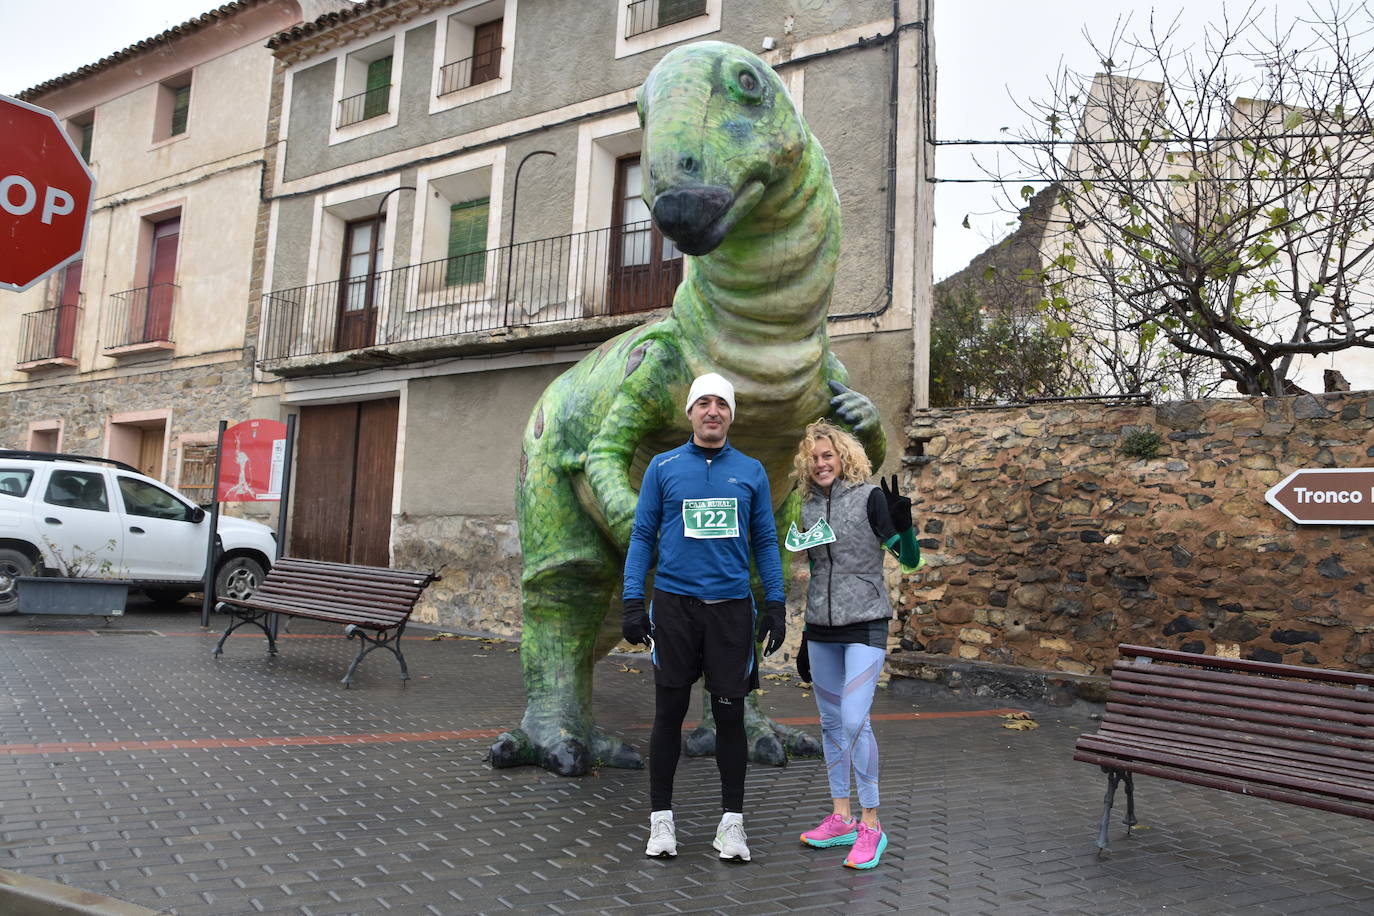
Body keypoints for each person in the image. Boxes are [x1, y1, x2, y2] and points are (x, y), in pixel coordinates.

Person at [621, 372, 787, 863]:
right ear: (690, 413)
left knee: (730, 719)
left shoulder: (752, 471)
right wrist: (633, 601)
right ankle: (661, 823)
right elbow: (642, 536)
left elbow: (764, 543)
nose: (712, 411)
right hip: (674, 609)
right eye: (703, 403)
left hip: (731, 612)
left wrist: (775, 603)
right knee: (668, 716)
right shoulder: (663, 466)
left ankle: (731, 826)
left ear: (731, 415)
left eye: (721, 404)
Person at [786, 419, 921, 869]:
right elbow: (813, 574)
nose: (822, 463)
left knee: (853, 719)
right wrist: (805, 636)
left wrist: (905, 527)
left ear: (844, 457)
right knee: (829, 723)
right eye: (815, 457)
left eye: (829, 455)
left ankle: (871, 824)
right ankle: (840, 816)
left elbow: (911, 561)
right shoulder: (804, 506)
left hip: (865, 624)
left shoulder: (869, 498)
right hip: (821, 630)